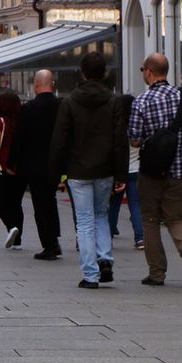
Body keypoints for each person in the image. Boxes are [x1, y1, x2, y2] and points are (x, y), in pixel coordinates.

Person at [49, 51, 129, 288]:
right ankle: (105, 258)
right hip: (105, 169)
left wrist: (55, 174)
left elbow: (60, 140)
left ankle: (90, 274)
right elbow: (119, 140)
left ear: (82, 72)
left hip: (78, 169)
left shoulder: (70, 101)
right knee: (101, 214)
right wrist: (121, 173)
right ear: (104, 73)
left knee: (84, 221)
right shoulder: (113, 101)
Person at [127, 51, 182, 285]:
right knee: (176, 217)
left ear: (149, 72)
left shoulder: (142, 102)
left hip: (152, 171)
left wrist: (149, 139)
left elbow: (134, 138)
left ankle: (157, 273)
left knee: (151, 219)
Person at [14, 69, 63, 260]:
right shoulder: (61, 106)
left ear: (36, 84)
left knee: (41, 206)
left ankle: (49, 245)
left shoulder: (28, 108)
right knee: (52, 202)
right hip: (56, 163)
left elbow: (20, 138)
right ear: (52, 84)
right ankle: (55, 240)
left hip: (34, 165)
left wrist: (14, 162)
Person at [0, 90, 25, 249]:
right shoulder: (23, 121)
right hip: (20, 167)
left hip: (2, 167)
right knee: (16, 203)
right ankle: (17, 240)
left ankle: (11, 227)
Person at [107, 108, 145, 251]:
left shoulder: (117, 130)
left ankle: (108, 236)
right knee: (135, 205)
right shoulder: (137, 129)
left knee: (114, 206)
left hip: (119, 173)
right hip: (136, 170)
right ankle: (140, 238)